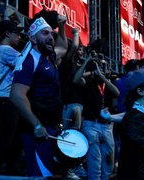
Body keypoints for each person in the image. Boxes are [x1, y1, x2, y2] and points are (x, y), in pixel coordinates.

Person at [10, 14, 67, 177]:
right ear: (33, 40)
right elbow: (16, 95)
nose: (50, 37)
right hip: (36, 130)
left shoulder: (49, 56)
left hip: (49, 128)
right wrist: (36, 125)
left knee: (49, 172)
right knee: (41, 175)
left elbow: (63, 47)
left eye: (51, 34)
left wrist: (62, 27)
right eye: (45, 33)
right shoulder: (29, 60)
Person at [72, 49, 120, 180]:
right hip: (91, 124)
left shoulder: (105, 82)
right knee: (95, 162)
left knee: (109, 161)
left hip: (106, 125)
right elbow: (76, 80)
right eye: (96, 65)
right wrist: (88, 62)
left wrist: (102, 76)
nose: (99, 67)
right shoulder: (86, 82)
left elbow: (117, 93)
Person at [0, 20, 24, 175]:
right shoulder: (5, 50)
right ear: (7, 33)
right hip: (5, 101)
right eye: (16, 33)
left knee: (10, 142)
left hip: (3, 100)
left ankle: (4, 172)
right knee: (7, 143)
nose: (20, 36)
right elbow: (26, 63)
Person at [59, 28, 87, 179]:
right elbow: (74, 46)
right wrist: (76, 34)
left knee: (74, 138)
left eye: (83, 50)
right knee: (68, 139)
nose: (81, 52)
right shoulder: (67, 61)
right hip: (69, 104)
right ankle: (68, 170)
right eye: (81, 49)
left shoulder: (76, 66)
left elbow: (79, 80)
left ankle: (73, 167)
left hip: (76, 105)